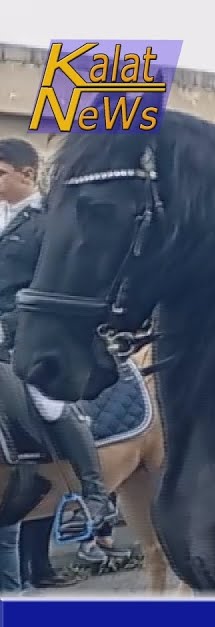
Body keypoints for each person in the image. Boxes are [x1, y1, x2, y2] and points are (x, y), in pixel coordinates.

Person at [0, 137, 118, 536]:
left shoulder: (50, 221)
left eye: (0, 174)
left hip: (28, 330)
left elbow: (50, 283)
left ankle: (94, 493)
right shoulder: (2, 217)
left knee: (45, 401)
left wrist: (10, 323)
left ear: (27, 173)